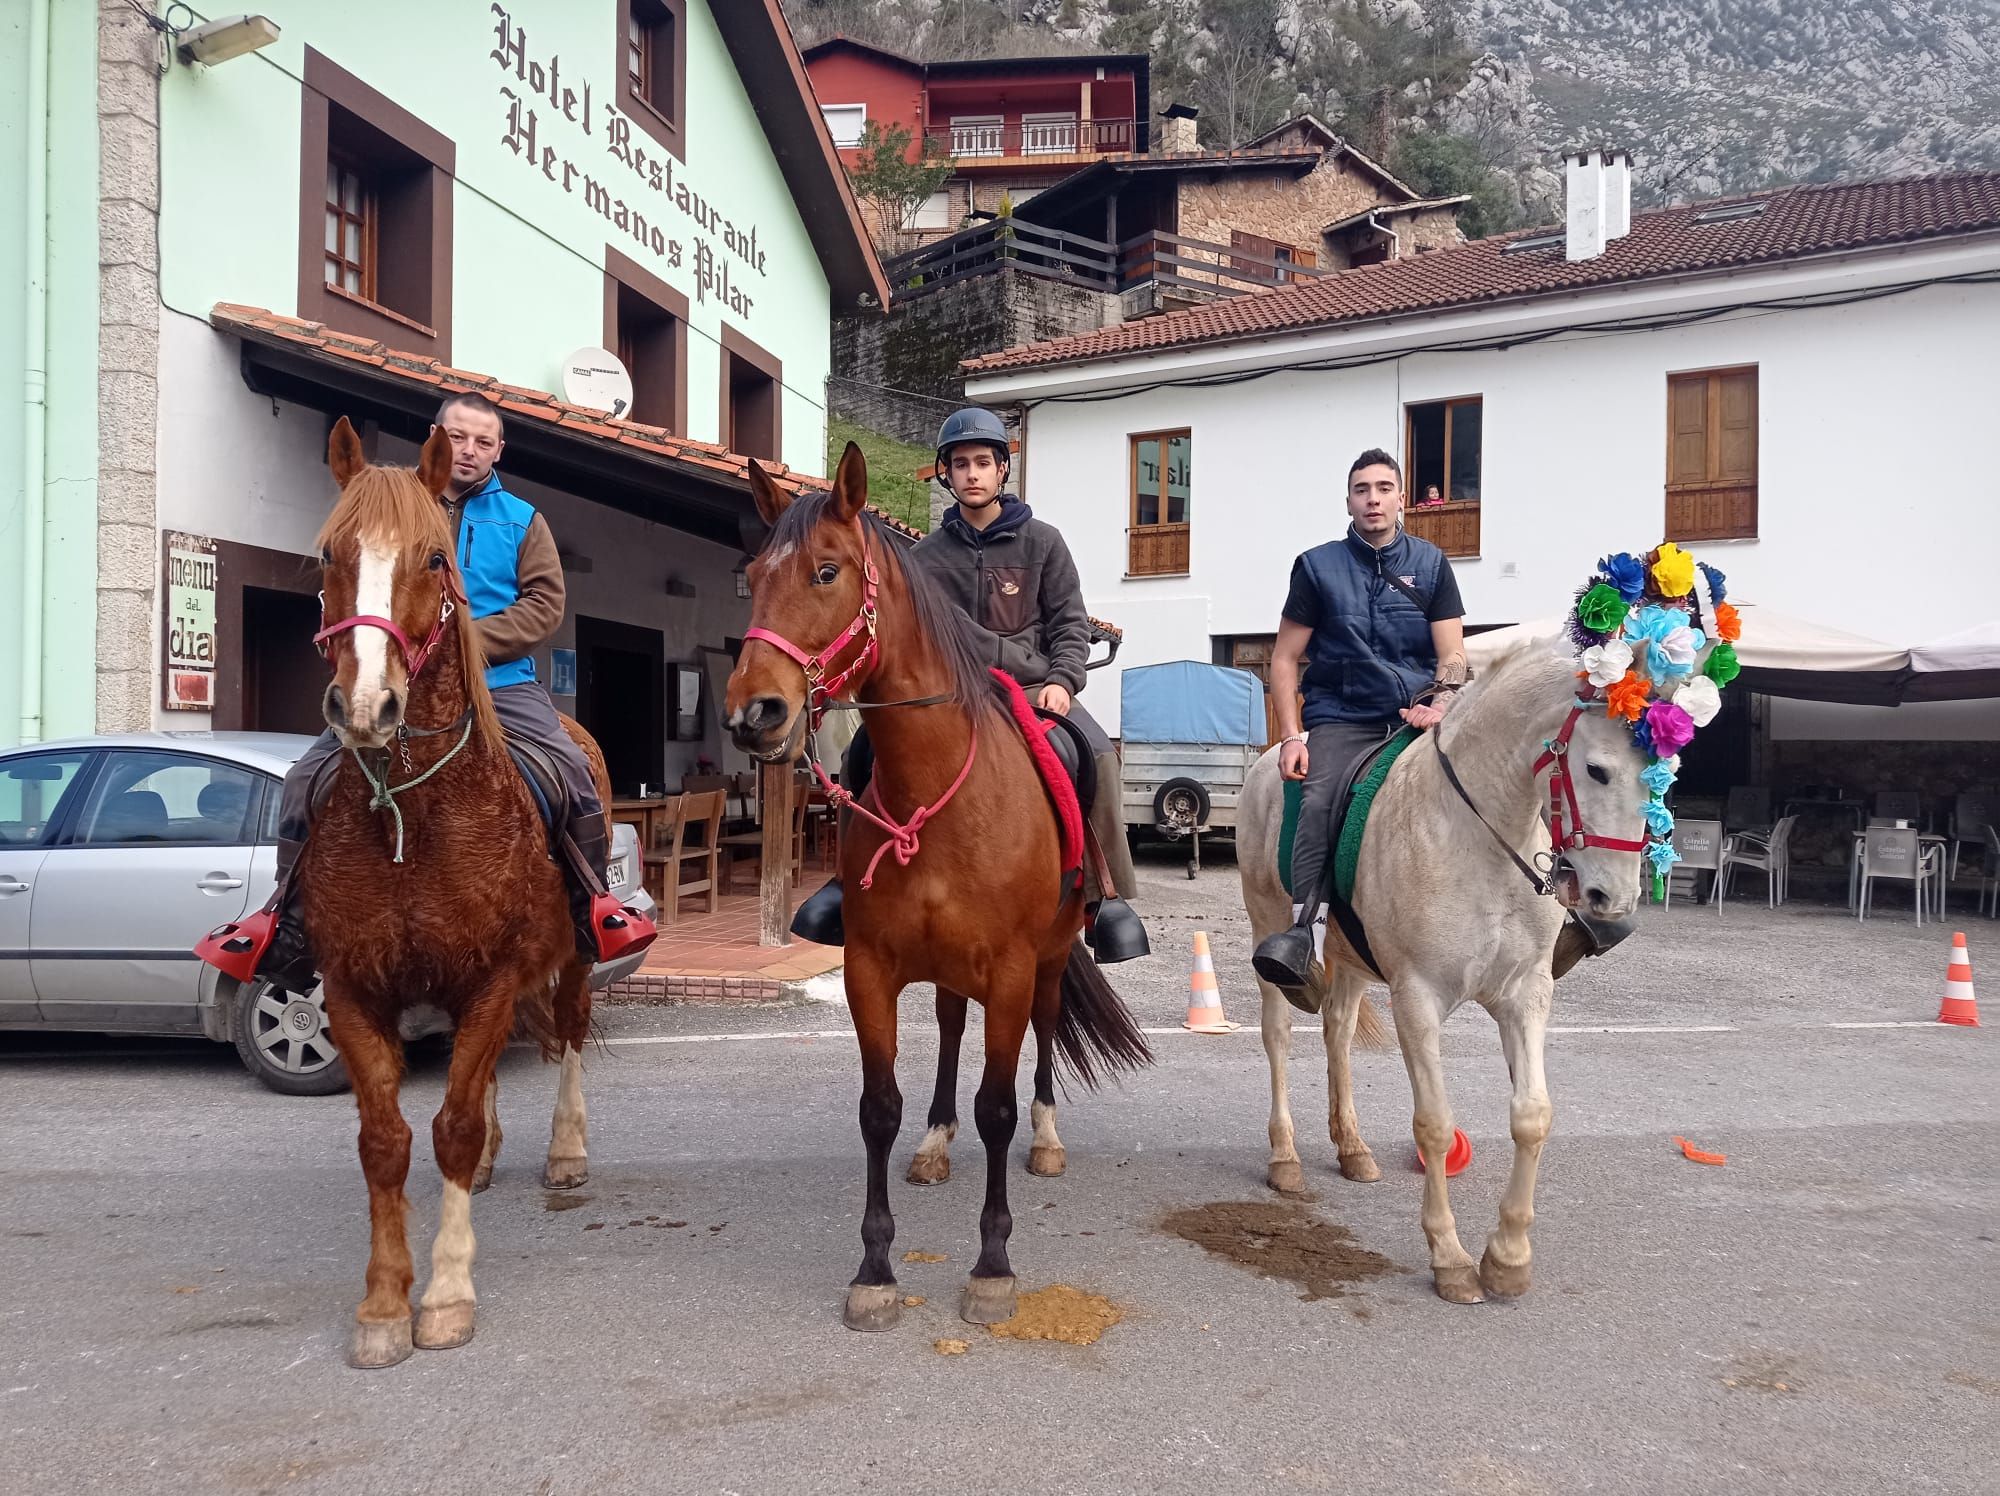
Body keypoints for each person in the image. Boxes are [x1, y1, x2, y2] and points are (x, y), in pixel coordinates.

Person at [251, 393, 625, 991]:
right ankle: (287, 925)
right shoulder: (395, 508)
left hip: (499, 684)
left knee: (571, 769)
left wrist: (464, 644)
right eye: (458, 437)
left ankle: (593, 911)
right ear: (436, 438)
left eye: (482, 441)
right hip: (394, 677)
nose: (468, 451)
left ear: (500, 449)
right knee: (304, 779)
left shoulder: (524, 521)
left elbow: (545, 606)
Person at [788, 406, 1148, 962]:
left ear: (1003, 471)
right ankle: (842, 883)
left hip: (1033, 691)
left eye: (984, 462)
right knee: (862, 751)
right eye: (961, 464)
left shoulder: (1043, 543)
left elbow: (1071, 625)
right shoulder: (924, 558)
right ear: (946, 474)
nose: (973, 473)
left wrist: (1063, 679)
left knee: (1097, 755)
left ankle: (1107, 898)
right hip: (949, 697)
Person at [1249, 448, 1468, 1005]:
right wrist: (1293, 736)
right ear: (1348, 500)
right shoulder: (1316, 566)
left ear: (1401, 497)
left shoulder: (1433, 563)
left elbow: (1453, 656)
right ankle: (1305, 933)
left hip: (1417, 714)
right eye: (1362, 489)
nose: (1372, 498)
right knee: (1320, 801)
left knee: (1487, 779)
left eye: (1383, 488)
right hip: (1343, 717)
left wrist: (1440, 704)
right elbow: (1283, 659)